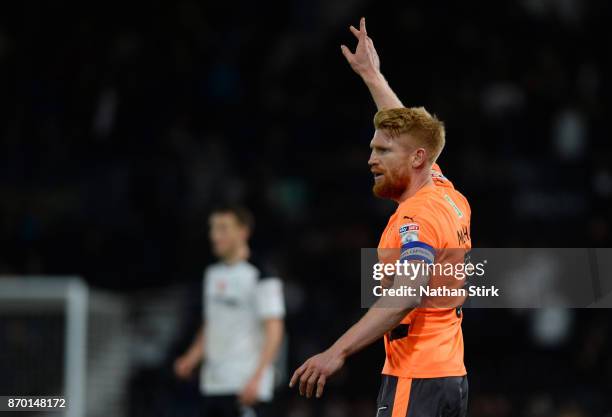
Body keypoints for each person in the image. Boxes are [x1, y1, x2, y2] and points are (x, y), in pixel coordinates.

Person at [289, 18, 472, 417]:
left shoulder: (418, 219)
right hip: (448, 374)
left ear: (416, 159)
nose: (371, 159)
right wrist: (372, 75)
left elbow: (406, 294)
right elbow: (410, 135)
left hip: (416, 379)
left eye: (382, 152)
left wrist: (335, 353)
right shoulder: (445, 193)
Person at [174, 206, 285, 417]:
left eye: (223, 228)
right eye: (212, 228)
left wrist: (258, 378)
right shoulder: (212, 274)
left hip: (246, 386)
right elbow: (211, 324)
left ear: (243, 232)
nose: (214, 235)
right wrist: (191, 357)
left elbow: (274, 329)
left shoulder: (262, 274)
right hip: (214, 383)